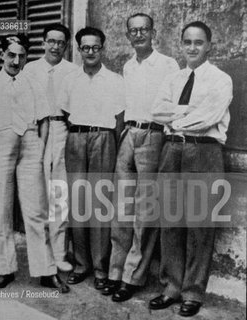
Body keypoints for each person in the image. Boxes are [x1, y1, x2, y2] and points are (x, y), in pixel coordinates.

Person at [0, 34, 69, 293]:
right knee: (1, 211)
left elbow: (45, 119)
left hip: (30, 144)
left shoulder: (34, 83)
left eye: (21, 56)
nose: (16, 60)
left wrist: (40, 151)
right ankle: (5, 269)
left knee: (35, 211)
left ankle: (46, 271)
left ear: (26, 56)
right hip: (0, 143)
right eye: (11, 55)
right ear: (3, 55)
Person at [149, 21, 233, 317]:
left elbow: (207, 118)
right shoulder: (174, 79)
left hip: (204, 151)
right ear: (181, 45)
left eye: (199, 42)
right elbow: (156, 111)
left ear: (210, 45)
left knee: (199, 224)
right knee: (170, 220)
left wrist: (176, 117)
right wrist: (184, 113)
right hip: (171, 149)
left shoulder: (220, 80)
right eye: (187, 42)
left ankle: (193, 292)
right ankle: (171, 287)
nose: (193, 48)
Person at [102, 13, 179, 302]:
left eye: (144, 29)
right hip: (128, 135)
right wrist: (122, 135)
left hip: (154, 135)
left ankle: (133, 277)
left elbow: (174, 104)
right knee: (121, 206)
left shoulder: (168, 64)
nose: (139, 35)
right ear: (127, 36)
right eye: (133, 31)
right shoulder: (128, 66)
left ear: (153, 32)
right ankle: (115, 271)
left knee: (145, 210)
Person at [57, 27, 125, 290]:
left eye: (95, 47)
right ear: (79, 50)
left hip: (103, 138)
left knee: (99, 203)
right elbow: (64, 113)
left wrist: (112, 145)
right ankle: (81, 264)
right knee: (78, 202)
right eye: (85, 47)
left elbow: (119, 118)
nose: (90, 52)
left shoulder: (115, 80)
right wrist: (78, 136)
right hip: (76, 138)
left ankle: (100, 268)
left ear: (102, 49)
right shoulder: (70, 80)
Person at [24, 24, 78, 273]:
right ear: (43, 43)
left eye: (61, 42)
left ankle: (59, 254)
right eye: (51, 41)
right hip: (35, 132)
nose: (55, 46)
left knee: (59, 195)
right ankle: (40, 254)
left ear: (66, 46)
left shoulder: (73, 71)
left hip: (62, 131)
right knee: (37, 195)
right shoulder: (30, 69)